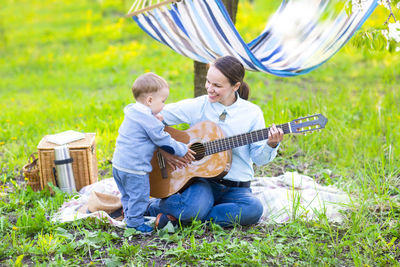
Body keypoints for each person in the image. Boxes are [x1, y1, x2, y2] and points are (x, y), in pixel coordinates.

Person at [146, 56, 284, 229]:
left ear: (235, 86)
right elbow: (149, 115)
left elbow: (259, 159)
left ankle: (183, 217)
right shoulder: (198, 106)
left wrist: (271, 145)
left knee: (254, 209)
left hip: (237, 189)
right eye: (208, 82)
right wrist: (166, 148)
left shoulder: (252, 113)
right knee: (194, 207)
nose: (209, 89)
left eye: (217, 85)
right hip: (202, 183)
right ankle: (159, 207)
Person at [112, 72, 195, 233]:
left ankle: (131, 216)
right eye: (162, 101)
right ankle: (135, 224)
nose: (163, 105)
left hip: (119, 166)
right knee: (140, 196)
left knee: (128, 195)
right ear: (150, 100)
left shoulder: (132, 112)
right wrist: (184, 148)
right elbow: (164, 141)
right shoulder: (150, 122)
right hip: (135, 169)